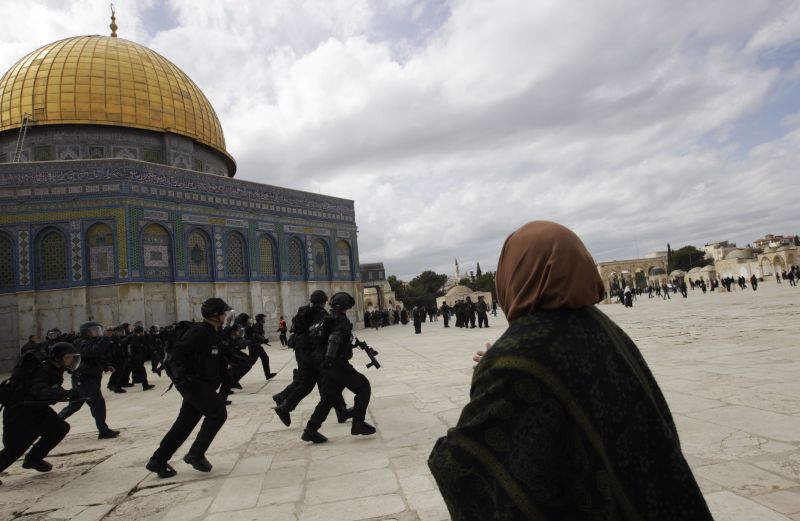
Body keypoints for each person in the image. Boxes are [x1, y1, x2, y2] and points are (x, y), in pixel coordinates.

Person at [428, 221, 713, 521]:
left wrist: (500, 364)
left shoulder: (519, 355)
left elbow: (467, 466)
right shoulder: (601, 327)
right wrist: (503, 359)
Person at [146, 298, 232, 478]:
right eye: (223, 313)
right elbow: (176, 354)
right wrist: (184, 380)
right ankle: (196, 453)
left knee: (184, 424)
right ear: (215, 315)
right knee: (217, 413)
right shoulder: (198, 332)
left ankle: (158, 460)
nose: (225, 316)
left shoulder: (213, 332)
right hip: (194, 384)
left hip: (202, 384)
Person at [0, 342, 80, 484]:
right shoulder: (44, 369)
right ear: (58, 357)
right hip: (20, 411)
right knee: (16, 448)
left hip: (37, 409)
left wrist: (67, 393)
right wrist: (66, 393)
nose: (70, 361)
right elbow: (40, 391)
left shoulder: (55, 368)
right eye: (68, 357)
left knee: (59, 428)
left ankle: (33, 459)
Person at [302, 292, 375, 443]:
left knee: (329, 398)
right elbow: (334, 339)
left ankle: (311, 429)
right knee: (363, 386)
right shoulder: (340, 320)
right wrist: (330, 359)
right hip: (337, 364)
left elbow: (338, 339)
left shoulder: (328, 318)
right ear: (345, 306)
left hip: (327, 365)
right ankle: (358, 423)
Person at [273, 290, 351, 427]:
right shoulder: (320, 314)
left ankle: (285, 405)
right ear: (324, 301)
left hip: (302, 351)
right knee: (326, 381)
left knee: (308, 383)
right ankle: (340, 411)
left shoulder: (305, 312)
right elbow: (320, 334)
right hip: (311, 352)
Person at [58, 322, 120, 439]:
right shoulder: (81, 343)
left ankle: (53, 422)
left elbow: (98, 357)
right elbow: (95, 351)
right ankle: (103, 431)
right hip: (84, 380)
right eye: (93, 330)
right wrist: (106, 337)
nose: (96, 333)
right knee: (98, 403)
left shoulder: (92, 342)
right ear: (85, 332)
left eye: (97, 330)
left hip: (89, 378)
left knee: (74, 405)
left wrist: (107, 366)